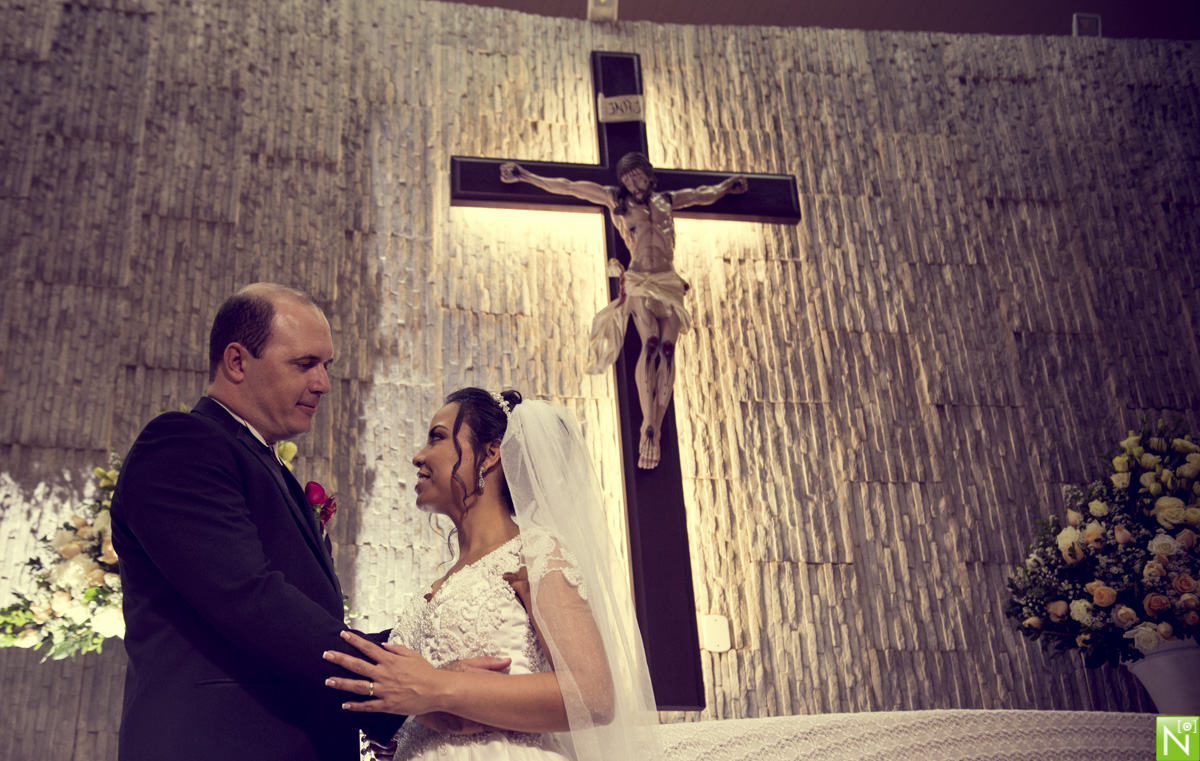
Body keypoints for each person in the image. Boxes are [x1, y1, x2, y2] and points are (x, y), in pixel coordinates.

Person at [110, 284, 503, 761]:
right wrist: (402, 692)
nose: (323, 383)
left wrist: (430, 665)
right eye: (305, 364)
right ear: (237, 362)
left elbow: (308, 615)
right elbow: (250, 598)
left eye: (326, 366)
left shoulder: (272, 468)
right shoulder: (182, 444)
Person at [321, 388, 662, 761]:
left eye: (436, 437)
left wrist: (440, 686)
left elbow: (595, 695)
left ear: (490, 453)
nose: (418, 455)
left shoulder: (534, 553)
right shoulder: (435, 586)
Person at [499, 154, 748, 469]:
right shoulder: (613, 199)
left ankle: (655, 426)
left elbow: (703, 193)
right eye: (626, 178)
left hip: (669, 280)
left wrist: (728, 185)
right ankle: (648, 421)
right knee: (652, 343)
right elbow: (568, 187)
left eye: (637, 176)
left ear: (648, 175)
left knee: (669, 350)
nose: (632, 183)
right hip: (640, 279)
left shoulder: (668, 201)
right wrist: (525, 175)